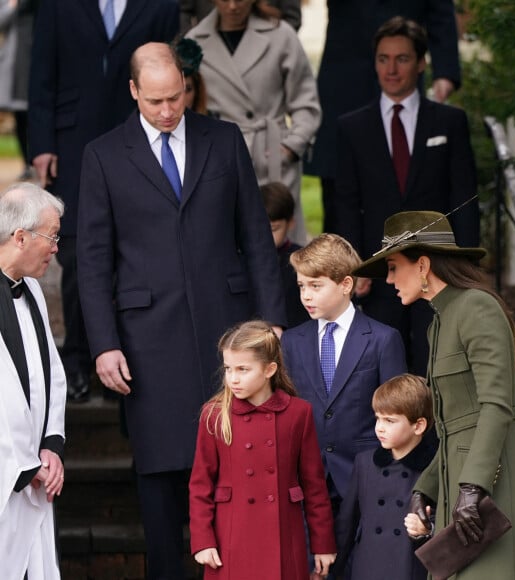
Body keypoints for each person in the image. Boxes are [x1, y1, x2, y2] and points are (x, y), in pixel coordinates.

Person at [76, 42, 286, 579]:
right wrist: (103, 343)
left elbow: (257, 240)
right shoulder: (103, 155)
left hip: (231, 331)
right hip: (147, 341)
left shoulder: (224, 139)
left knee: (241, 472)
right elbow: (94, 260)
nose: (168, 111)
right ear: (133, 92)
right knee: (163, 479)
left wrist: (272, 323)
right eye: (155, 102)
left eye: (177, 97)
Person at [353, 210, 515, 578]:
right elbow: (453, 427)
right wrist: (426, 487)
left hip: (493, 486)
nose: (388, 279)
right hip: (462, 489)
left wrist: (473, 484)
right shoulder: (441, 321)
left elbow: (496, 408)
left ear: (423, 265)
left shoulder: (477, 307)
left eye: (394, 266)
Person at [27, 0, 179, 402]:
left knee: (133, 255)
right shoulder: (58, 6)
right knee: (77, 256)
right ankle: (76, 361)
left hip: (138, 145)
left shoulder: (161, 6)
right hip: (73, 148)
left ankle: (125, 364)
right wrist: (41, 144)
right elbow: (41, 71)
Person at [334, 16, 480, 376]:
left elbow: (465, 196)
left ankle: (436, 434)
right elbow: (347, 202)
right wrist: (356, 266)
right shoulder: (351, 127)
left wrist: (467, 268)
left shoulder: (449, 122)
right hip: (381, 273)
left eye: (401, 59)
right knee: (387, 371)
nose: (391, 69)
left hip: (439, 269)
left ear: (421, 63)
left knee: (440, 367)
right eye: (383, 59)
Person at [189, 320, 337, 579]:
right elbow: (200, 486)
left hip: (283, 537)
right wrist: (203, 539)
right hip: (230, 539)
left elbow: (315, 487)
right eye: (228, 369)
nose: (233, 378)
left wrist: (322, 544)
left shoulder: (298, 413)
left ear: (269, 369)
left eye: (243, 369)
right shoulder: (214, 415)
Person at [306, 0, 461, 234]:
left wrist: (445, 72)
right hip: (343, 78)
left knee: (407, 186)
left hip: (403, 78)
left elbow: (440, 13)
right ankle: (340, 267)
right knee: (339, 195)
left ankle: (410, 266)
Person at [281, 234, 407, 517]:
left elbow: (398, 412)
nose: (306, 295)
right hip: (308, 480)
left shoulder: (382, 339)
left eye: (315, 285)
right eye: (301, 286)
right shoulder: (291, 341)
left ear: (346, 284)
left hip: (367, 476)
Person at [185, 0, 320, 245]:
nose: (233, 6)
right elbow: (189, 105)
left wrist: (289, 149)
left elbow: (306, 103)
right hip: (221, 161)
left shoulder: (281, 35)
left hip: (273, 160)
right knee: (226, 249)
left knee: (282, 256)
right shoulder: (195, 41)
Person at [0, 182, 66, 580]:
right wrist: (21, 465)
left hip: (36, 471)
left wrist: (51, 444)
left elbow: (52, 375)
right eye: (52, 236)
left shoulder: (35, 291)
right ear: (20, 236)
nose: (57, 247)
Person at [333, 374, 436, 580]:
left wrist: (428, 528)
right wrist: (333, 570)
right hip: (367, 567)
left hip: (410, 569)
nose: (379, 427)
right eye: (378, 417)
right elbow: (346, 523)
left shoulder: (433, 468)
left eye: (390, 421)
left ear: (418, 426)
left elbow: (446, 521)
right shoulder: (364, 463)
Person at [260, 181, 309, 328]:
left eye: (274, 229)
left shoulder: (302, 259)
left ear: (291, 223)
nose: (267, 236)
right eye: (261, 228)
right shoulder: (242, 258)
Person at [0, 0, 37, 180]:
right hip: (14, 65)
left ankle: (37, 160)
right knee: (20, 116)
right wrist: (13, 5)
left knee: (35, 117)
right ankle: (26, 163)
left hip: (35, 61)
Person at [179, 0, 301, 33]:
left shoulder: (282, 36)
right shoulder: (197, 38)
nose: (232, 6)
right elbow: (185, 10)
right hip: (210, 46)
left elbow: (293, 18)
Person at [174, 36, 208, 113]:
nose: (182, 99)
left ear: (197, 92)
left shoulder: (215, 124)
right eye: (175, 91)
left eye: (187, 90)